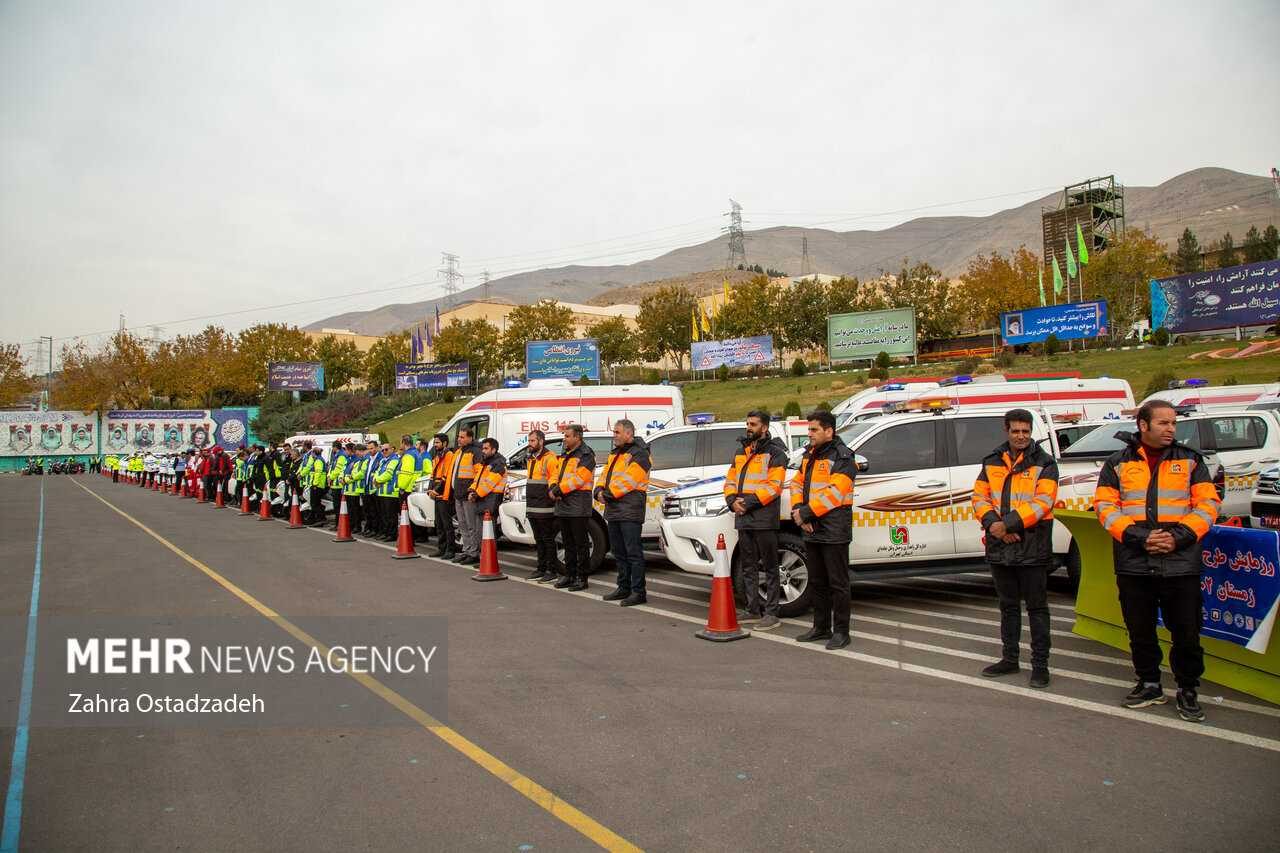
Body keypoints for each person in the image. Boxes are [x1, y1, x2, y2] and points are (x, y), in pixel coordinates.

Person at [1094, 399, 1221, 722]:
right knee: (1140, 630)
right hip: (1134, 562)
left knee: (1187, 632)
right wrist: (1141, 538)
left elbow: (1208, 505)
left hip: (1181, 563)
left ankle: (1188, 689)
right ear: (1143, 425)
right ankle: (1148, 683)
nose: (1170, 429)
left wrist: (1177, 538)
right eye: (1163, 423)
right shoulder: (1116, 463)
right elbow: (1105, 509)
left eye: (1173, 424)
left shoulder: (1191, 461)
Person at [971, 408, 1059, 688]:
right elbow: (979, 498)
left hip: (1032, 544)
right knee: (1008, 606)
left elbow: (1043, 502)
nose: (1021, 436)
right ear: (1006, 430)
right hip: (1001, 545)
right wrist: (996, 525)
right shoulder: (992, 461)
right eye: (1015, 431)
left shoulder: (1045, 463)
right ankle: (1009, 659)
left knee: (1037, 608)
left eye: (1025, 431)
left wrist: (1006, 525)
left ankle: (1040, 666)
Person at [791, 410, 856, 650]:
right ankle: (820, 627)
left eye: (814, 430)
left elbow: (835, 493)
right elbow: (797, 482)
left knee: (838, 583)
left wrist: (805, 513)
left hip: (834, 527)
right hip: (813, 526)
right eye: (808, 430)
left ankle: (841, 632)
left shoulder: (844, 457)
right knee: (817, 581)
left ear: (829, 431)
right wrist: (799, 509)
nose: (809, 434)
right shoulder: (810, 455)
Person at [724, 410, 789, 630]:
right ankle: (752, 609)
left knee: (771, 567)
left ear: (764, 427)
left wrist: (746, 503)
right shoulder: (741, 451)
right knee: (748, 566)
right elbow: (730, 480)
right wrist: (731, 500)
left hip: (763, 517)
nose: (748, 427)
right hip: (744, 516)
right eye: (747, 423)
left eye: (753, 424)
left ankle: (772, 613)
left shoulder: (776, 453)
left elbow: (774, 487)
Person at [596, 419, 651, 606]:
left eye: (617, 432)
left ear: (629, 433)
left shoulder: (640, 454)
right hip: (615, 509)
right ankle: (623, 587)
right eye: (614, 432)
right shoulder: (616, 453)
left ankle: (638, 591)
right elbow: (604, 476)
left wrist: (607, 494)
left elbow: (630, 480)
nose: (614, 436)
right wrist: (598, 491)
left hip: (630, 508)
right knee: (619, 551)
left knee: (633, 552)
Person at [549, 424, 595, 591]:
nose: (564, 439)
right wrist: (553, 487)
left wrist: (558, 490)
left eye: (568, 436)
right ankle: (569, 575)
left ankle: (582, 578)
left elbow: (580, 479)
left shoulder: (586, 454)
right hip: (563, 503)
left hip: (578, 504)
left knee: (580, 544)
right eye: (564, 436)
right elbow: (555, 473)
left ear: (577, 437)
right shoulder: (565, 454)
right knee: (568, 543)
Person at [523, 429, 561, 581]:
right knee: (538, 540)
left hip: (545, 507)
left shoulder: (549, 458)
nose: (530, 444)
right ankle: (541, 568)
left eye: (532, 441)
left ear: (541, 441)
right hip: (533, 506)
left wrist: (552, 490)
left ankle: (551, 571)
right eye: (529, 441)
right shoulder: (531, 458)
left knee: (547, 539)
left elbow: (554, 478)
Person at [448, 429, 481, 564]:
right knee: (462, 525)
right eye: (458, 437)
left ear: (470, 438)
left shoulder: (475, 452)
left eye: (462, 437)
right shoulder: (460, 452)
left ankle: (473, 552)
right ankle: (467, 550)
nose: (459, 439)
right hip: (459, 494)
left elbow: (478, 473)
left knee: (471, 525)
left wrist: (473, 491)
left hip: (468, 494)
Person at [468, 438, 507, 545]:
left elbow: (489, 483)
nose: (483, 451)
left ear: (494, 450)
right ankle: (483, 559)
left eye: (486, 448)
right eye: (482, 448)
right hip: (483, 500)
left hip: (490, 502)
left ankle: (488, 560)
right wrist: (472, 490)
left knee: (487, 536)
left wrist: (475, 494)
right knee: (481, 534)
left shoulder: (498, 464)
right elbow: (478, 480)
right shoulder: (486, 462)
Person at [426, 434, 455, 558]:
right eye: (435, 443)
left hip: (444, 494)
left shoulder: (449, 455)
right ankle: (441, 548)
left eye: (437, 442)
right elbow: (433, 474)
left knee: (446, 524)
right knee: (439, 523)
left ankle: (450, 550)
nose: (435, 445)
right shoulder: (437, 456)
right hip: (436, 493)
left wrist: (436, 490)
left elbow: (446, 475)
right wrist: (429, 489)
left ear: (445, 443)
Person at [372, 442, 401, 541]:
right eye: (382, 450)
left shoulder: (394, 460)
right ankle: (385, 532)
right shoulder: (382, 461)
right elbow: (376, 472)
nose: (384, 451)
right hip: (381, 491)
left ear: (392, 449)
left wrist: (377, 480)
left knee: (391, 516)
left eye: (386, 449)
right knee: (383, 515)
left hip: (390, 492)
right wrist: (375, 479)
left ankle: (392, 535)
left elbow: (388, 474)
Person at [394, 434, 420, 536]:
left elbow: (406, 473)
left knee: (406, 514)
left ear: (404, 443)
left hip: (407, 488)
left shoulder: (408, 455)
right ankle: (415, 536)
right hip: (413, 487)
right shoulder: (415, 453)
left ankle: (409, 538)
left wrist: (402, 487)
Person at [343, 443, 368, 533]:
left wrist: (347, 479)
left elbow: (358, 474)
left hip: (355, 489)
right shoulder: (349, 460)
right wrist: (343, 478)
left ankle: (357, 526)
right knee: (351, 510)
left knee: (356, 510)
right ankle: (353, 525)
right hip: (348, 488)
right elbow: (345, 471)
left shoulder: (358, 460)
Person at [362, 439, 383, 537]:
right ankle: (370, 528)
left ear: (377, 448)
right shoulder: (368, 458)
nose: (370, 450)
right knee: (369, 511)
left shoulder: (380, 458)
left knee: (376, 512)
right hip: (367, 487)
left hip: (375, 489)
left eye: (372, 448)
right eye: (368, 448)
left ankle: (376, 530)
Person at [307, 445, 328, 525]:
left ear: (313, 453)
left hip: (318, 485)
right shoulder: (318, 460)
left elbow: (318, 473)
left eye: (311, 453)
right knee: (316, 503)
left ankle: (321, 519)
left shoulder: (318, 461)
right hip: (319, 485)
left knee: (315, 503)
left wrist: (315, 484)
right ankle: (320, 518)